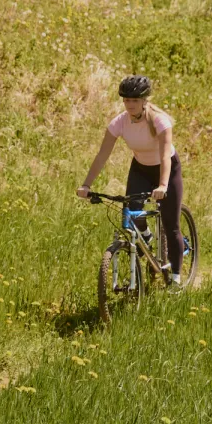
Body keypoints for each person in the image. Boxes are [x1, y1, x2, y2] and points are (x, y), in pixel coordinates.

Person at [77, 75, 185, 287]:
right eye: (126, 100)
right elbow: (102, 155)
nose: (130, 105)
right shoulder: (120, 123)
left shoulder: (159, 121)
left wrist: (163, 185)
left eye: (135, 100)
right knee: (131, 213)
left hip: (167, 170)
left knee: (171, 224)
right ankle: (146, 235)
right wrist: (86, 184)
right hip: (140, 170)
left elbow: (165, 156)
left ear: (145, 100)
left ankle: (176, 278)